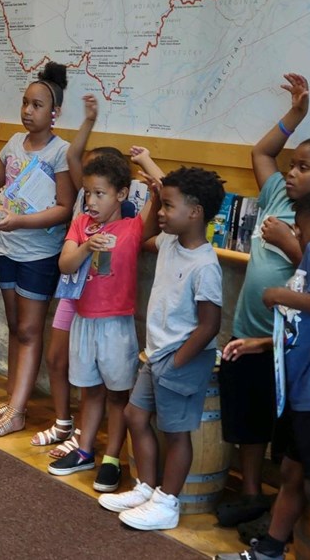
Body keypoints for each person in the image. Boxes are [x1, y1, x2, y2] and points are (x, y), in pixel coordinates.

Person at [216, 72, 310, 528]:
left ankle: (280, 512)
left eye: (304, 167)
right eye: (293, 164)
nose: (292, 173)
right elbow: (261, 153)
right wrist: (295, 115)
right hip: (249, 328)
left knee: (285, 432)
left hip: (291, 346)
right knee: (247, 420)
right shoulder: (278, 192)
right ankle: (252, 492)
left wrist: (287, 244)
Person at [216, 190, 310, 560]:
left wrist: (280, 294)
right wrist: (262, 344)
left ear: (301, 228)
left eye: (297, 232)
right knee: (291, 478)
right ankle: (269, 551)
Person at [99, 167, 225, 531]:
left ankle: (167, 503)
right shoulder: (169, 241)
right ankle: (146, 488)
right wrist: (156, 193)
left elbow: (209, 324)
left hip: (181, 358)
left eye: (168, 206)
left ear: (195, 212)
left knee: (176, 432)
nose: (162, 213)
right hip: (156, 354)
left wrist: (179, 362)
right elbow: (143, 237)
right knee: (135, 417)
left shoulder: (206, 264)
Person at [49, 151, 158, 492]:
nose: (92, 201)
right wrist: (86, 247)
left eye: (101, 193)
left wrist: (147, 161)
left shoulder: (133, 226)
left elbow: (165, 189)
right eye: (88, 193)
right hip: (83, 319)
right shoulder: (81, 223)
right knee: (90, 389)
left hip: (115, 324)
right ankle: (84, 450)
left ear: (122, 194)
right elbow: (65, 265)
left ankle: (112, 458)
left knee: (117, 393)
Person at [0, 62, 75, 437]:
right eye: (25, 103)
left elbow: (64, 208)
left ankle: (18, 410)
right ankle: (11, 398)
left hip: (39, 252)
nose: (28, 111)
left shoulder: (60, 152)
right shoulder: (16, 142)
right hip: (8, 247)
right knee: (16, 326)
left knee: (32, 330)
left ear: (55, 113)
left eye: (36, 105)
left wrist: (19, 222)